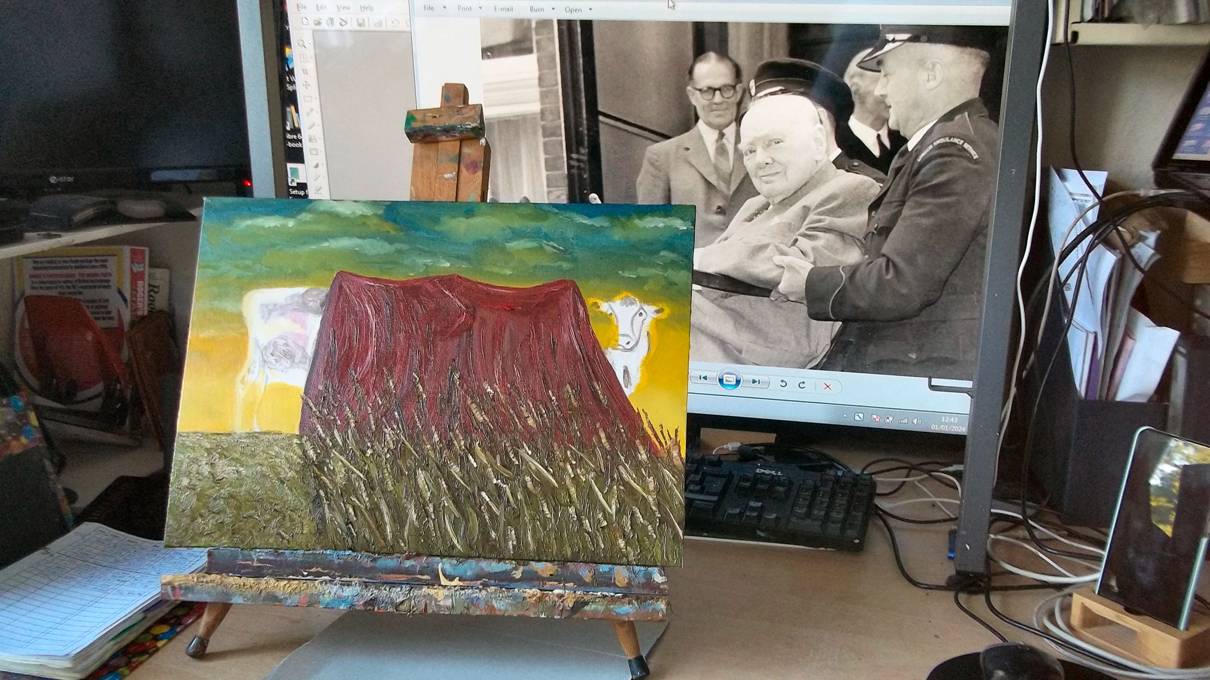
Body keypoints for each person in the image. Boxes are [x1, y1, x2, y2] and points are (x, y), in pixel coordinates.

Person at [778, 26, 1002, 380]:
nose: (881, 90)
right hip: (906, 360)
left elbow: (901, 282)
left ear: (931, 74)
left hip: (916, 368)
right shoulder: (944, 144)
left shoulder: (954, 153)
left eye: (888, 74)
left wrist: (808, 283)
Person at [690, 88, 880, 368]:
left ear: (818, 142)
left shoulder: (850, 189)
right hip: (715, 324)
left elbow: (804, 269)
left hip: (774, 338)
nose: (761, 160)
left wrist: (699, 257)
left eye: (775, 143)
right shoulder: (755, 205)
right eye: (750, 151)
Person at [636, 52, 757, 247]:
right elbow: (650, 234)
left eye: (726, 89)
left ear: (738, 91)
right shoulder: (661, 157)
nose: (718, 100)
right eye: (707, 91)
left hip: (751, 263)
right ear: (692, 95)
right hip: (691, 266)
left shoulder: (760, 148)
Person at [747, 58, 885, 183]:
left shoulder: (864, 187)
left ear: (820, 120)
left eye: (779, 120)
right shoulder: (758, 185)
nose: (765, 132)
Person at [837, 48, 907, 174]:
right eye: (884, 82)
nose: (895, 93)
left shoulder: (907, 141)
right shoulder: (837, 145)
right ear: (856, 89)